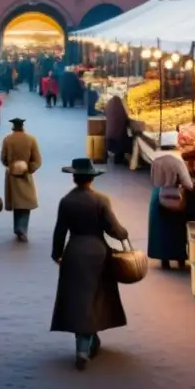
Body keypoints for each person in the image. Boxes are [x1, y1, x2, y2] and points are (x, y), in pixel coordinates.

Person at [51, 158, 129, 371]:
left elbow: (60, 231)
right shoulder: (101, 200)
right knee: (95, 297)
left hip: (74, 252)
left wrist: (57, 254)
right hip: (97, 253)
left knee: (79, 300)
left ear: (74, 178)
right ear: (92, 179)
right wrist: (124, 234)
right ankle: (85, 348)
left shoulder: (66, 201)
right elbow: (114, 229)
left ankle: (86, 344)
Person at [147, 149, 195, 269]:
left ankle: (164, 260)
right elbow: (189, 185)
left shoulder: (155, 160)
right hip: (175, 197)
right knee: (177, 230)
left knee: (160, 229)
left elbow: (153, 180)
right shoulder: (178, 162)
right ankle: (180, 261)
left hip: (158, 196)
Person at [0, 117, 42, 242]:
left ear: (13, 127)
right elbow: (37, 160)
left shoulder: (7, 140)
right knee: (26, 202)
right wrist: (29, 169)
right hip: (26, 175)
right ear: (23, 127)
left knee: (17, 202)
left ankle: (18, 227)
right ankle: (22, 229)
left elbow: (3, 158)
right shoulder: (31, 139)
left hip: (12, 175)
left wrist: (11, 165)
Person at [104, 95, 129, 164]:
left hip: (108, 135)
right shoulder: (121, 108)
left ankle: (107, 156)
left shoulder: (109, 105)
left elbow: (105, 113)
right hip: (118, 137)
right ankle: (119, 158)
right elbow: (126, 118)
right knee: (124, 137)